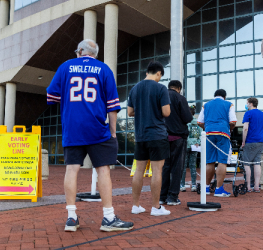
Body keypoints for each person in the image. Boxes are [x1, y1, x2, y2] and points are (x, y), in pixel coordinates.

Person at [47, 39, 133, 232]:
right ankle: (108, 217)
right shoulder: (103, 69)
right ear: (95, 54)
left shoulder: (65, 66)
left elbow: (52, 97)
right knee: (103, 170)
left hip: (73, 127)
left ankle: (71, 217)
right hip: (97, 128)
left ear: (79, 51)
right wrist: (112, 131)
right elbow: (112, 106)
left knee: (72, 169)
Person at [128, 61, 171, 216]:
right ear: (158, 73)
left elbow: (129, 112)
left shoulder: (134, 88)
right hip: (157, 135)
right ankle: (155, 207)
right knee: (157, 171)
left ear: (147, 72)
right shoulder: (161, 88)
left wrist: (143, 109)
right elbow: (166, 112)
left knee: (139, 171)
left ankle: (135, 206)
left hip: (140, 136)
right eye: (160, 76)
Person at [197, 89, 237, 197]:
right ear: (224, 96)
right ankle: (219, 189)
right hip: (223, 133)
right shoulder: (229, 104)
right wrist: (230, 129)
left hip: (209, 134)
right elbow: (233, 121)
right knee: (222, 161)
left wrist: (208, 127)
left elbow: (199, 121)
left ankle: (205, 187)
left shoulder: (206, 105)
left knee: (209, 161)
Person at [160, 80, 193, 205]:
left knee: (165, 167)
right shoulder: (180, 98)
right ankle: (172, 197)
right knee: (177, 167)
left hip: (163, 136)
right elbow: (187, 118)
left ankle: (162, 196)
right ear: (179, 88)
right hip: (178, 136)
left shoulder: (161, 96)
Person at [241, 97, 263, 193]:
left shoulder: (248, 113)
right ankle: (256, 186)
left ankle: (248, 186)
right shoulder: (262, 114)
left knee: (246, 163)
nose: (246, 105)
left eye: (247, 103)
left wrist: (243, 141)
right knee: (257, 163)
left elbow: (245, 128)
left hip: (250, 140)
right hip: (260, 141)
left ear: (250, 103)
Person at [180, 106, 202, 192]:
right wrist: (198, 142)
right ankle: (193, 185)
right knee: (193, 166)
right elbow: (201, 134)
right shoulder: (197, 123)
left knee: (183, 166)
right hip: (195, 146)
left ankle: (182, 185)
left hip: (185, 146)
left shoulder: (184, 122)